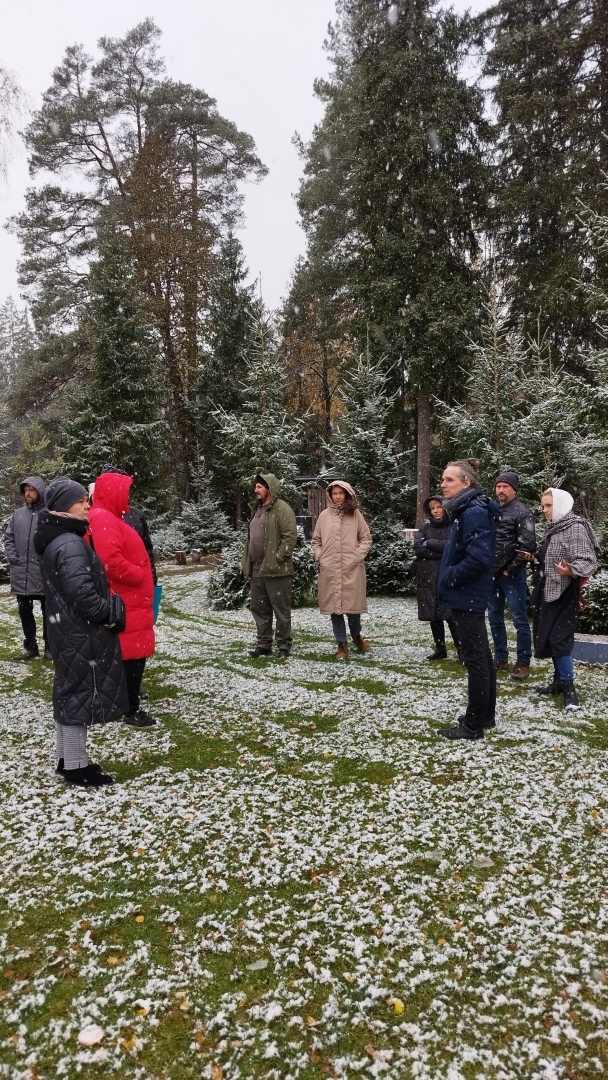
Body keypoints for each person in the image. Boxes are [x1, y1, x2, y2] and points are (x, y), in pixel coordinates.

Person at [34, 477, 127, 787]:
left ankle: (67, 758)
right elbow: (83, 595)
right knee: (77, 696)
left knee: (67, 690)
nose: (87, 504)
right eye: (80, 502)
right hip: (81, 632)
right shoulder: (70, 543)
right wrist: (111, 615)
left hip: (67, 629)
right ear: (63, 508)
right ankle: (75, 767)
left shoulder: (58, 539)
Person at [436, 458, 501, 740]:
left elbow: (479, 558)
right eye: (443, 479)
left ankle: (473, 725)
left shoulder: (473, 512)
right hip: (470, 594)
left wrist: (450, 576)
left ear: (467, 483)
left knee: (475, 659)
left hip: (468, 595)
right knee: (483, 657)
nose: (443, 484)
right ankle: (485, 715)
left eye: (449, 479)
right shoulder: (468, 510)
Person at [518, 488, 598, 710]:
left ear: (561, 504)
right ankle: (558, 682)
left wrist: (570, 570)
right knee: (547, 636)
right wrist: (534, 558)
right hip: (545, 589)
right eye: (543, 506)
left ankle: (570, 691)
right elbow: (549, 557)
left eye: (549, 505)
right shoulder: (554, 528)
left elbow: (588, 561)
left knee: (558, 640)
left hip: (564, 593)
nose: (544, 510)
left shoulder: (575, 528)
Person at [88, 471, 156, 727]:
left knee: (130, 653)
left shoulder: (108, 517)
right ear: (112, 492)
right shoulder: (104, 519)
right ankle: (130, 709)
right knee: (133, 653)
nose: (127, 496)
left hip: (130, 599)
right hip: (127, 599)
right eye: (124, 490)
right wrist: (139, 574)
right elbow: (111, 562)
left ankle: (124, 702)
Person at [312, 480, 373, 659]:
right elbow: (316, 541)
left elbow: (366, 539)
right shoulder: (324, 516)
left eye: (341, 493)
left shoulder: (355, 515)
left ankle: (356, 636)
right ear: (330, 496)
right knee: (335, 609)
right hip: (330, 569)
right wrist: (320, 556)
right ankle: (341, 644)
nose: (338, 496)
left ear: (347, 494)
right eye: (335, 493)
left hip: (351, 569)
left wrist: (356, 556)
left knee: (353, 607)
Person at [487, 469, 536, 680]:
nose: (501, 490)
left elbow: (528, 545)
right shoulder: (492, 509)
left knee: (520, 620)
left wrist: (511, 569)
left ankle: (523, 662)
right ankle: (500, 658)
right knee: (495, 618)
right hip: (491, 575)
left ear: (514, 489)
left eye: (505, 486)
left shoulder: (523, 512)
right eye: (498, 486)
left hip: (512, 576)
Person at [242, 473, 297, 658]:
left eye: (259, 486)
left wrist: (277, 557)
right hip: (257, 569)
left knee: (281, 610)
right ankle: (264, 644)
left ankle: (283, 646)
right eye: (255, 486)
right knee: (260, 608)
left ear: (269, 488)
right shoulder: (256, 509)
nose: (255, 490)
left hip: (278, 571)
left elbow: (290, 537)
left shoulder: (282, 509)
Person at [3, 476, 51, 661]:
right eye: (25, 490)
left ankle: (50, 647)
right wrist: (13, 558)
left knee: (49, 614)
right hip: (21, 573)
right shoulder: (18, 514)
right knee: (25, 613)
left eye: (31, 489)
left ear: (40, 490)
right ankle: (30, 647)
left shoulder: (50, 513)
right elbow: (8, 538)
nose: (27, 493)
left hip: (44, 573)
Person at [413, 495, 461, 661]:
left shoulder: (453, 526)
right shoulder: (425, 528)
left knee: (451, 616)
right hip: (427, 577)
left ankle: (461, 650)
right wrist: (439, 551)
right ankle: (440, 648)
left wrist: (430, 543)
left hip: (446, 576)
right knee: (433, 615)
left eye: (438, 507)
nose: (435, 511)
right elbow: (418, 549)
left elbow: (452, 547)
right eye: (432, 508)